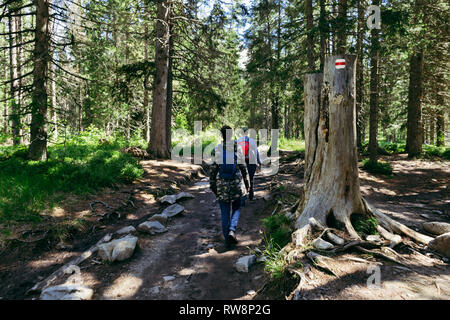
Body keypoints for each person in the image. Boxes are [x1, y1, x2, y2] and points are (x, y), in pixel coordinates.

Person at [210, 125, 250, 248]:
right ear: (231, 134)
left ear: (221, 135)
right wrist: (248, 184)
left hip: (222, 185)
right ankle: (232, 229)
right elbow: (243, 167)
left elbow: (213, 169)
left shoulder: (216, 149)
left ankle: (227, 239)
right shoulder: (237, 148)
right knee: (237, 207)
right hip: (236, 184)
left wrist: (212, 185)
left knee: (224, 211)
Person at [236, 127, 261, 200]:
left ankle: (243, 198)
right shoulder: (252, 141)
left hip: (241, 162)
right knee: (251, 179)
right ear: (247, 133)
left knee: (242, 179)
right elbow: (256, 152)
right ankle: (251, 196)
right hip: (251, 162)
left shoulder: (237, 141)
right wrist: (259, 162)